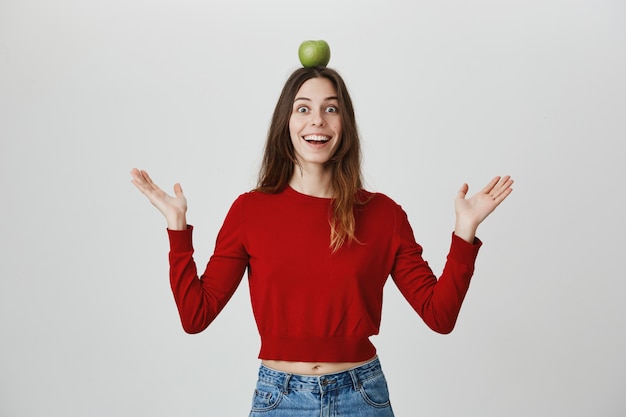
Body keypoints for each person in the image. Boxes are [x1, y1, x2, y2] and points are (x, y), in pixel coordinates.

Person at [130, 66, 513, 416]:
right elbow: (196, 316)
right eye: (303, 108)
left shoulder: (384, 214)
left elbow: (439, 316)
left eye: (331, 109)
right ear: (286, 121)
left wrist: (465, 231)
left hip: (362, 397)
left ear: (345, 123)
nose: (317, 120)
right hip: (279, 399)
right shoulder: (250, 211)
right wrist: (177, 227)